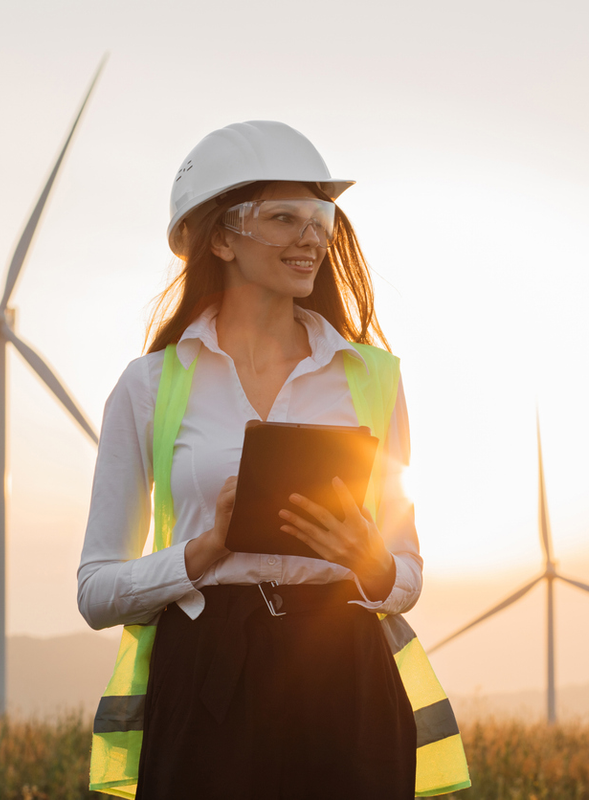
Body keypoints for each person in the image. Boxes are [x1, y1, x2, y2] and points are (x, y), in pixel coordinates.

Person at [78, 121, 468, 800]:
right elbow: (95, 591)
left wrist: (368, 557)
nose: (312, 237)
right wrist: (205, 550)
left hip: (345, 675)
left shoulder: (372, 378)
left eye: (319, 218)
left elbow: (405, 575)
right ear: (222, 238)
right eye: (283, 217)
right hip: (207, 679)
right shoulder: (147, 387)